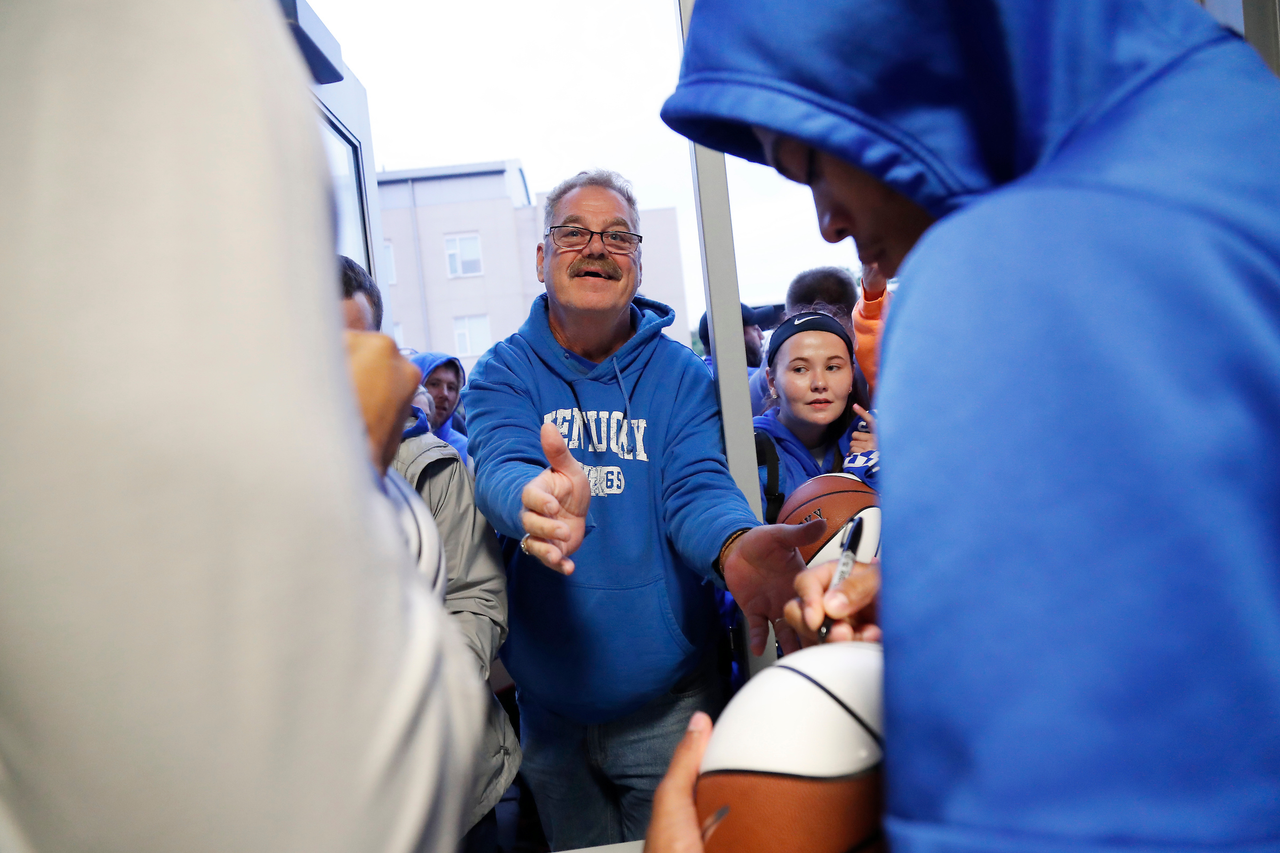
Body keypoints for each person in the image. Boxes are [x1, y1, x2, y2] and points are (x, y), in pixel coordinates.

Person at [660, 1, 1280, 851]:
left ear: (891, 54)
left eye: (808, 163)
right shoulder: (1225, 124)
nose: (827, 222)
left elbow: (1053, 823)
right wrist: (948, 601)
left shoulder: (1005, 272)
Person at [1, 1, 487, 851]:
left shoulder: (426, 482)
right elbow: (343, 801)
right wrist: (347, 465)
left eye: (359, 341)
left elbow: (457, 627)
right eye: (316, 342)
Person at [463, 169, 822, 850]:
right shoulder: (502, 372)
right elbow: (502, 466)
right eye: (574, 232)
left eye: (617, 236)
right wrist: (535, 500)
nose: (596, 247)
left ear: (636, 260)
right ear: (542, 257)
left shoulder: (683, 377)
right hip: (551, 709)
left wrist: (735, 545)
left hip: (670, 702)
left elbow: (695, 489)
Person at [342, 263, 522, 847]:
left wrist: (426, 692)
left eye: (352, 344)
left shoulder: (431, 466)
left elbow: (475, 597)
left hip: (449, 782)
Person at [753, 310, 861, 521]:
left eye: (833, 367)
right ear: (772, 382)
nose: (819, 384)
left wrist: (880, 470)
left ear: (851, 376)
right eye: (800, 369)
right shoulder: (751, 454)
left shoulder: (868, 443)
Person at [699, 302, 772, 414]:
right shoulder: (755, 380)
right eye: (755, 329)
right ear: (735, 337)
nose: (761, 336)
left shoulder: (698, 378)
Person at [410, 352, 469, 461]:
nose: (445, 394)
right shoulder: (388, 447)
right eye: (434, 384)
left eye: (451, 388)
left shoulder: (467, 452)